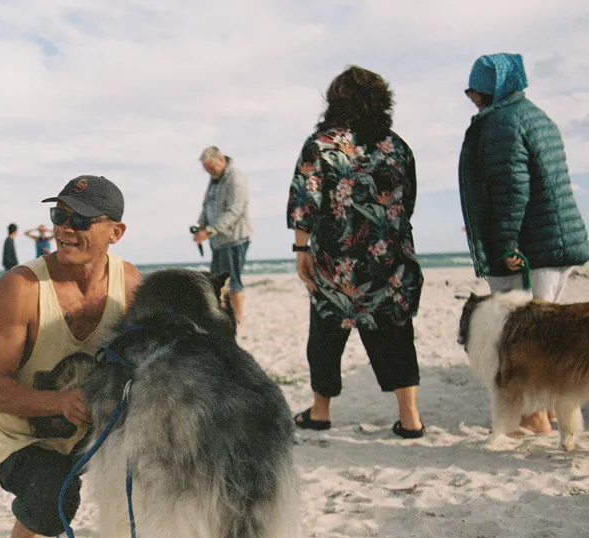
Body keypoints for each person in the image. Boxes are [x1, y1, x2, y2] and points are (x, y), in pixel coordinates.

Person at [0, 175, 141, 538]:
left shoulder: (130, 284)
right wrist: (62, 402)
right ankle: (28, 521)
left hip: (92, 428)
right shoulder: (19, 288)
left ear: (115, 232)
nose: (66, 228)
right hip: (24, 436)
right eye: (60, 215)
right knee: (52, 507)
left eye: (82, 220)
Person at [287, 66, 425, 438]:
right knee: (395, 332)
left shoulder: (322, 145)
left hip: (338, 261)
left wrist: (301, 249)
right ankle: (410, 418)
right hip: (388, 257)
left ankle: (320, 411)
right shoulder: (398, 147)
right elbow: (406, 202)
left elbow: (306, 199)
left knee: (326, 334)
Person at [459, 52, 589, 435]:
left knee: (527, 338)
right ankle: (544, 415)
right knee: (549, 331)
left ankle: (533, 419)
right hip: (552, 243)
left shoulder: (503, 122)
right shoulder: (534, 116)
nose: (472, 98)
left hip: (530, 248)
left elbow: (511, 188)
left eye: (475, 91)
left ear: (493, 89)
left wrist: (503, 246)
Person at [192, 146, 254, 325]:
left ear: (221, 160)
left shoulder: (236, 178)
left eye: (211, 168)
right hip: (218, 241)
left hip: (235, 239)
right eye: (206, 170)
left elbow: (236, 210)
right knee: (216, 283)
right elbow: (206, 207)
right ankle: (225, 318)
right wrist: (200, 227)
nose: (210, 172)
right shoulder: (214, 180)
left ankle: (238, 321)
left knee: (232, 282)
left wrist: (210, 230)